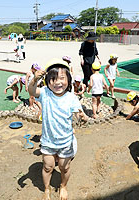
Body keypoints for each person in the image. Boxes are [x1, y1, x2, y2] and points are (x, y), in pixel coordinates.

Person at [28, 59, 88, 200]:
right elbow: (31, 90)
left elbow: (79, 114)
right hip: (48, 141)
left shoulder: (71, 98)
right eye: (53, 79)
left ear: (68, 79)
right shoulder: (45, 93)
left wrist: (82, 117)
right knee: (48, 167)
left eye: (62, 78)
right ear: (47, 81)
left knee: (64, 167)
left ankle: (63, 186)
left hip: (66, 141)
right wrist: (34, 79)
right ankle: (47, 189)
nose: (58, 82)